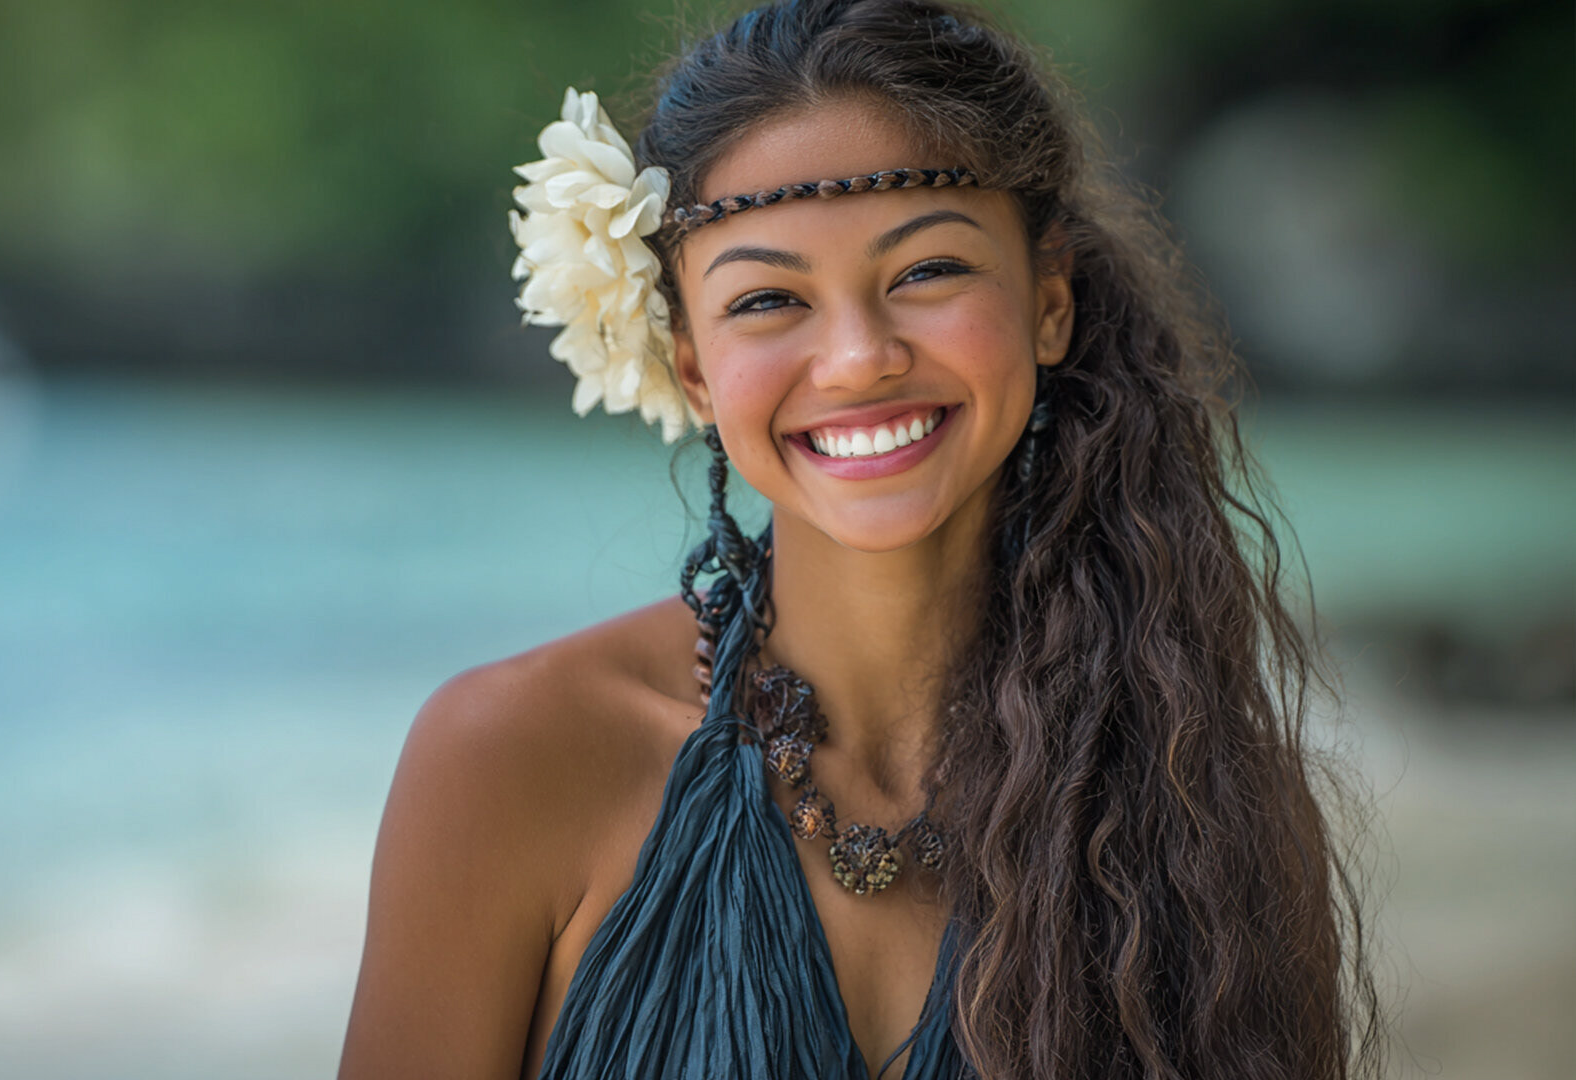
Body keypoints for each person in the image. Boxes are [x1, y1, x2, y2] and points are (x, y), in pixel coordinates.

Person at [339, 1, 1385, 1077]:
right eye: (766, 299)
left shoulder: (1191, 793)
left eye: (925, 273)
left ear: (1049, 302)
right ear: (690, 366)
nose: (856, 358)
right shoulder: (511, 759)